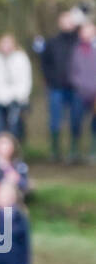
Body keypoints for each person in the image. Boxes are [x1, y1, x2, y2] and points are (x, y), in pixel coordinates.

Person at [41, 10, 85, 162]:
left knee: (76, 119)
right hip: (56, 87)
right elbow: (45, 64)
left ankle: (74, 150)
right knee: (55, 119)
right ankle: (55, 150)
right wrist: (51, 80)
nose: (68, 23)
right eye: (64, 20)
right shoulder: (52, 43)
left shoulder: (80, 43)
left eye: (70, 20)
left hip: (76, 89)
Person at [0, 33, 32, 141]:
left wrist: (19, 96)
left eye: (8, 43)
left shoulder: (21, 59)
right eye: (3, 43)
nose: (6, 46)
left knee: (14, 129)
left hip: (16, 100)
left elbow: (26, 80)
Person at [69, 20, 96, 163]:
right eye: (84, 30)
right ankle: (74, 150)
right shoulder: (77, 49)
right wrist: (80, 85)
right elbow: (73, 70)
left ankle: (93, 151)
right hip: (80, 92)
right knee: (76, 120)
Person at [0, 132, 29, 198]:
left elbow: (26, 185)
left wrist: (17, 179)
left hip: (17, 197)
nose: (6, 147)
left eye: (9, 144)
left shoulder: (19, 164)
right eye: (2, 144)